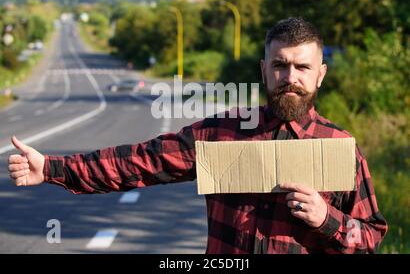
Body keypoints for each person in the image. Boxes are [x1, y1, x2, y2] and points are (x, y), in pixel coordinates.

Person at [7, 17, 387, 254]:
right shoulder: (223, 133)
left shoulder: (340, 149)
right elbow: (141, 161)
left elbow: (371, 237)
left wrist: (326, 218)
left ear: (320, 74)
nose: (290, 77)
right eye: (280, 65)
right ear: (264, 70)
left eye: (302, 67)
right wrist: (54, 167)